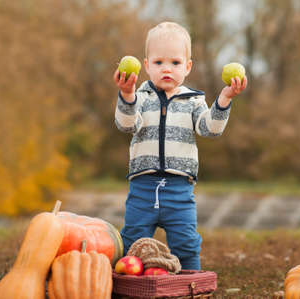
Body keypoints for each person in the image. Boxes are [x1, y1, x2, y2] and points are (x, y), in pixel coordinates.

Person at [113, 21, 247, 270]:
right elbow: (126, 124)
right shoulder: (140, 98)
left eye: (175, 63)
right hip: (142, 187)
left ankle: (190, 285)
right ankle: (125, 285)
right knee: (131, 242)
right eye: (158, 62)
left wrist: (225, 98)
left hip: (179, 190)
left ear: (187, 67)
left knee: (186, 243)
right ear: (146, 65)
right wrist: (127, 95)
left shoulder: (193, 100)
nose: (167, 69)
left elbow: (210, 129)